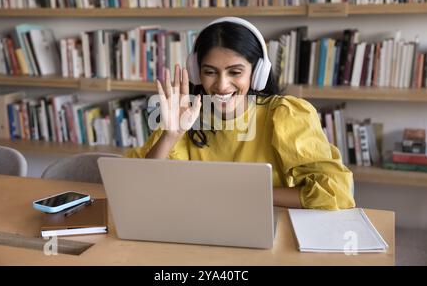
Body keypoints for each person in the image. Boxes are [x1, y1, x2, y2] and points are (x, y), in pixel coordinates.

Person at [125, 17, 355, 210]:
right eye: (210, 72)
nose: (222, 85)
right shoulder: (186, 116)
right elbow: (141, 187)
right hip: (198, 226)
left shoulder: (286, 114)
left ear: (257, 73)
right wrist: (170, 134)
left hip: (269, 224)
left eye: (235, 71)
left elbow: (336, 193)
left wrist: (242, 194)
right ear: (197, 73)